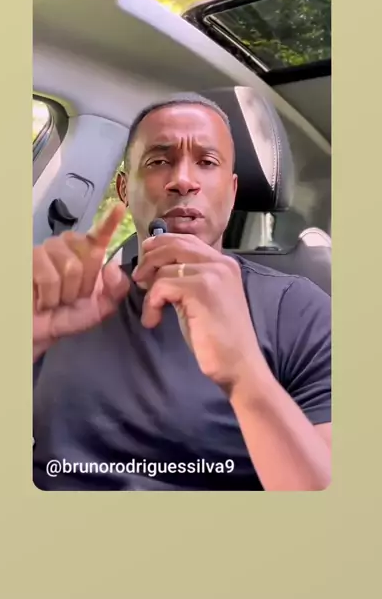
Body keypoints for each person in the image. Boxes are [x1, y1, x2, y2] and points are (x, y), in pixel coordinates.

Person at [33, 93, 331, 491]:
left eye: (207, 162)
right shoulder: (66, 300)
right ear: (124, 188)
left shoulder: (299, 310)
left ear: (232, 190)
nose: (184, 181)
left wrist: (245, 374)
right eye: (159, 162)